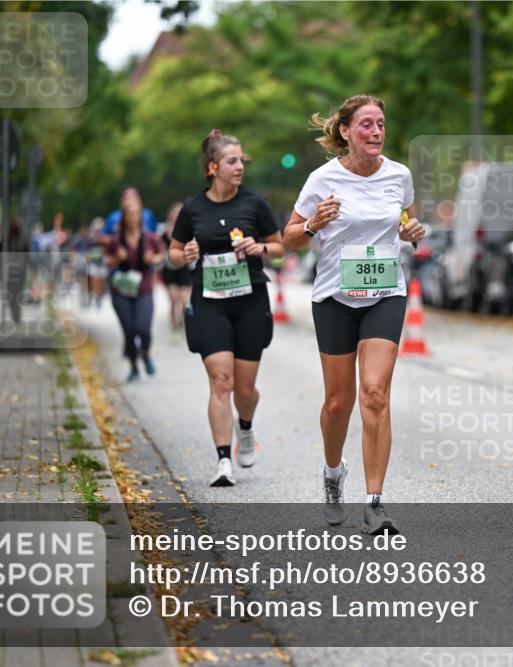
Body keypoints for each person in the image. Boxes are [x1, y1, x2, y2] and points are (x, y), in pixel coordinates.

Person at [283, 95, 425, 534]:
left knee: (376, 394)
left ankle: (375, 502)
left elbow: (408, 223)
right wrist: (312, 225)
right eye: (366, 124)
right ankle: (332, 474)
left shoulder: (399, 176)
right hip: (335, 298)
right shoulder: (321, 179)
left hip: (385, 293)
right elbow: (288, 238)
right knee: (339, 402)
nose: (376, 132)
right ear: (345, 132)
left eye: (381, 123)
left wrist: (411, 231)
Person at [167, 130, 284, 488]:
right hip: (209, 301)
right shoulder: (193, 208)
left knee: (244, 391)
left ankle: (244, 427)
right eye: (233, 161)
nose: (240, 167)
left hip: (250, 300)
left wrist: (258, 248)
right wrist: (183, 255)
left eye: (242, 161)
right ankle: (223, 461)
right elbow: (173, 252)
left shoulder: (254, 203)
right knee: (221, 381)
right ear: (213, 167)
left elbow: (278, 246)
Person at [105, 200, 162, 382]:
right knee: (129, 330)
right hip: (121, 290)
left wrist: (153, 257)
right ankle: (133, 367)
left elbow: (161, 255)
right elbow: (107, 263)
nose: (132, 217)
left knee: (143, 328)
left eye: (136, 213)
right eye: (129, 213)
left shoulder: (150, 238)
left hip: (144, 288)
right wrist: (116, 257)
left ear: (140, 216)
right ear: (124, 217)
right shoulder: (115, 240)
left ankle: (145, 353)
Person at [160, 202, 193, 328]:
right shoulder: (163, 232)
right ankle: (174, 325)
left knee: (185, 301)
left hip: (184, 269)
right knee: (174, 299)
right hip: (169, 270)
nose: (177, 216)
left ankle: (184, 324)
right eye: (175, 213)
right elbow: (159, 249)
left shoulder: (188, 231)